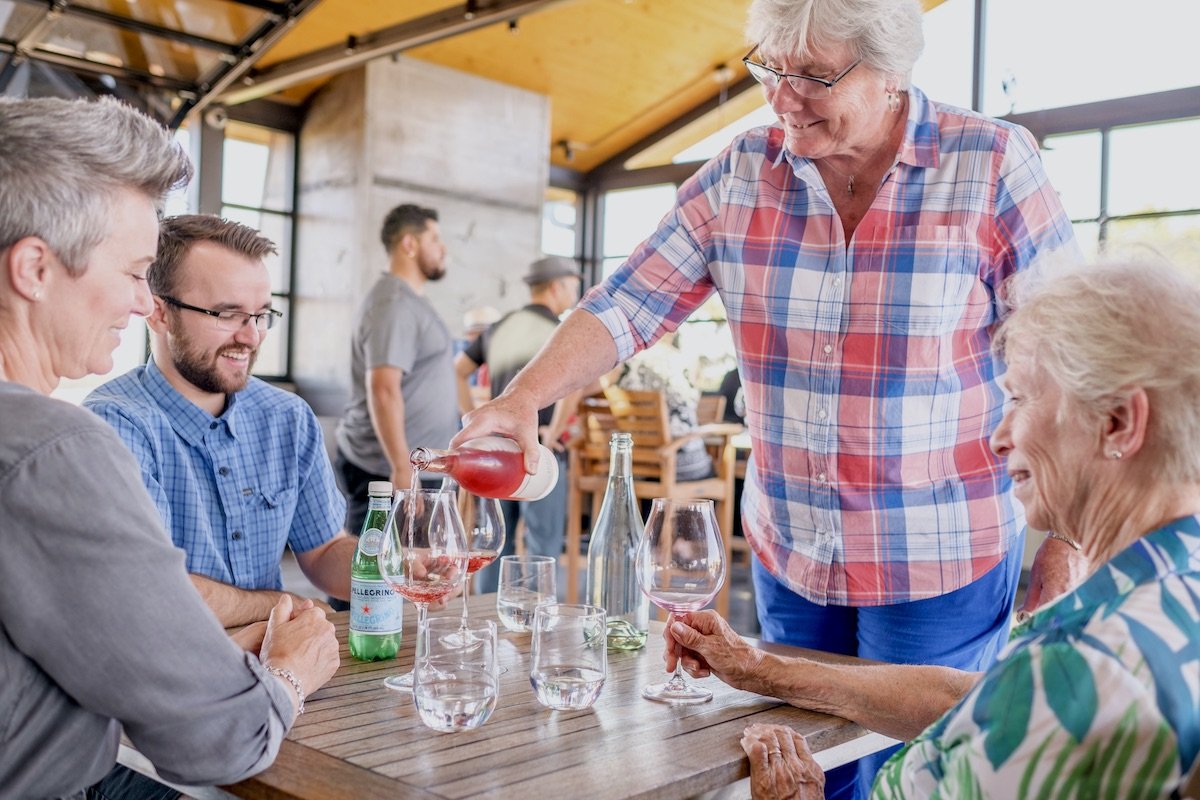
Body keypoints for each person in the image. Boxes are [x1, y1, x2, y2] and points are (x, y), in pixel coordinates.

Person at [455, 0, 1079, 794]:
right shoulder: (741, 172)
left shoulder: (992, 164)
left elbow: (1071, 359)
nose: (783, 98)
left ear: (891, 73)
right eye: (769, 69)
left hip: (940, 557)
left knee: (919, 777)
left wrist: (1066, 541)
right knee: (802, 770)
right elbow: (624, 305)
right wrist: (522, 399)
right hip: (793, 553)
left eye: (815, 75)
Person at [665, 259, 1200, 799]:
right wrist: (760, 670)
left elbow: (1028, 700)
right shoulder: (1171, 587)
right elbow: (979, 699)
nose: (999, 436)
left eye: (1018, 398)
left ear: (1118, 423)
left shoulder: (1073, 673)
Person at [0, 96, 338, 799]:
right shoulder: (56, 447)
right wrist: (291, 665)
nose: (136, 303)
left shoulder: (285, 415)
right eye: (130, 273)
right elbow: (219, 740)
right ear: (34, 269)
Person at [84, 215, 357, 628]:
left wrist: (399, 567)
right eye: (227, 314)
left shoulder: (288, 418)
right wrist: (283, 604)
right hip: (172, 677)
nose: (251, 337)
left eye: (261, 314)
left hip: (285, 665)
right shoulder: (117, 425)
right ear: (159, 313)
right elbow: (154, 592)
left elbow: (323, 552)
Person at [454, 256, 581, 591]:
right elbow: (577, 384)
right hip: (540, 453)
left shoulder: (500, 326)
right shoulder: (562, 332)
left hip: (497, 449)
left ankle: (484, 621)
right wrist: (552, 435)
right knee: (543, 545)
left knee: (493, 542)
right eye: (573, 286)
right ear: (557, 287)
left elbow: (457, 370)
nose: (575, 294)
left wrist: (473, 417)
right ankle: (538, 623)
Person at [335, 203, 458, 533]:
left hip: (419, 467)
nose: (443, 247)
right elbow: (383, 388)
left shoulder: (409, 300)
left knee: (412, 576)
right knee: (373, 578)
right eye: (435, 238)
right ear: (409, 244)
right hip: (389, 471)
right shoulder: (394, 303)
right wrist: (402, 468)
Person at [615, 336, 714, 481]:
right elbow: (690, 404)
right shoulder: (680, 360)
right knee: (713, 469)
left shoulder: (626, 362)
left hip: (635, 462)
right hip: (677, 462)